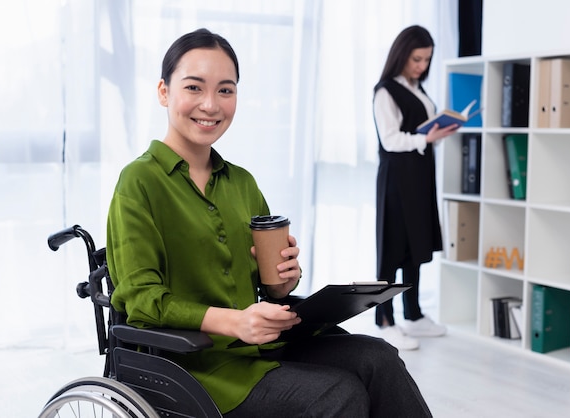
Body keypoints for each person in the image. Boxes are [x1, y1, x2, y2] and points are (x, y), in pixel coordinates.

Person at [106, 28, 432, 417]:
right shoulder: (139, 182)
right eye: (194, 87)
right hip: (193, 365)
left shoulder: (241, 182)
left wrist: (284, 278)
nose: (210, 104)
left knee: (379, 358)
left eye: (225, 90)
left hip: (260, 347)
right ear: (164, 92)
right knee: (338, 393)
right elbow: (141, 298)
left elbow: (271, 287)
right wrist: (235, 322)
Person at [372, 25, 457, 351]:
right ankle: (385, 318)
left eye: (427, 60)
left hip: (420, 176)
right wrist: (426, 137)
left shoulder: (417, 88)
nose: (422, 65)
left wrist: (437, 131)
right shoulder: (385, 91)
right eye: (417, 58)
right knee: (392, 248)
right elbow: (391, 139)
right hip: (397, 179)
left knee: (414, 244)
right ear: (402, 55)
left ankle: (414, 314)